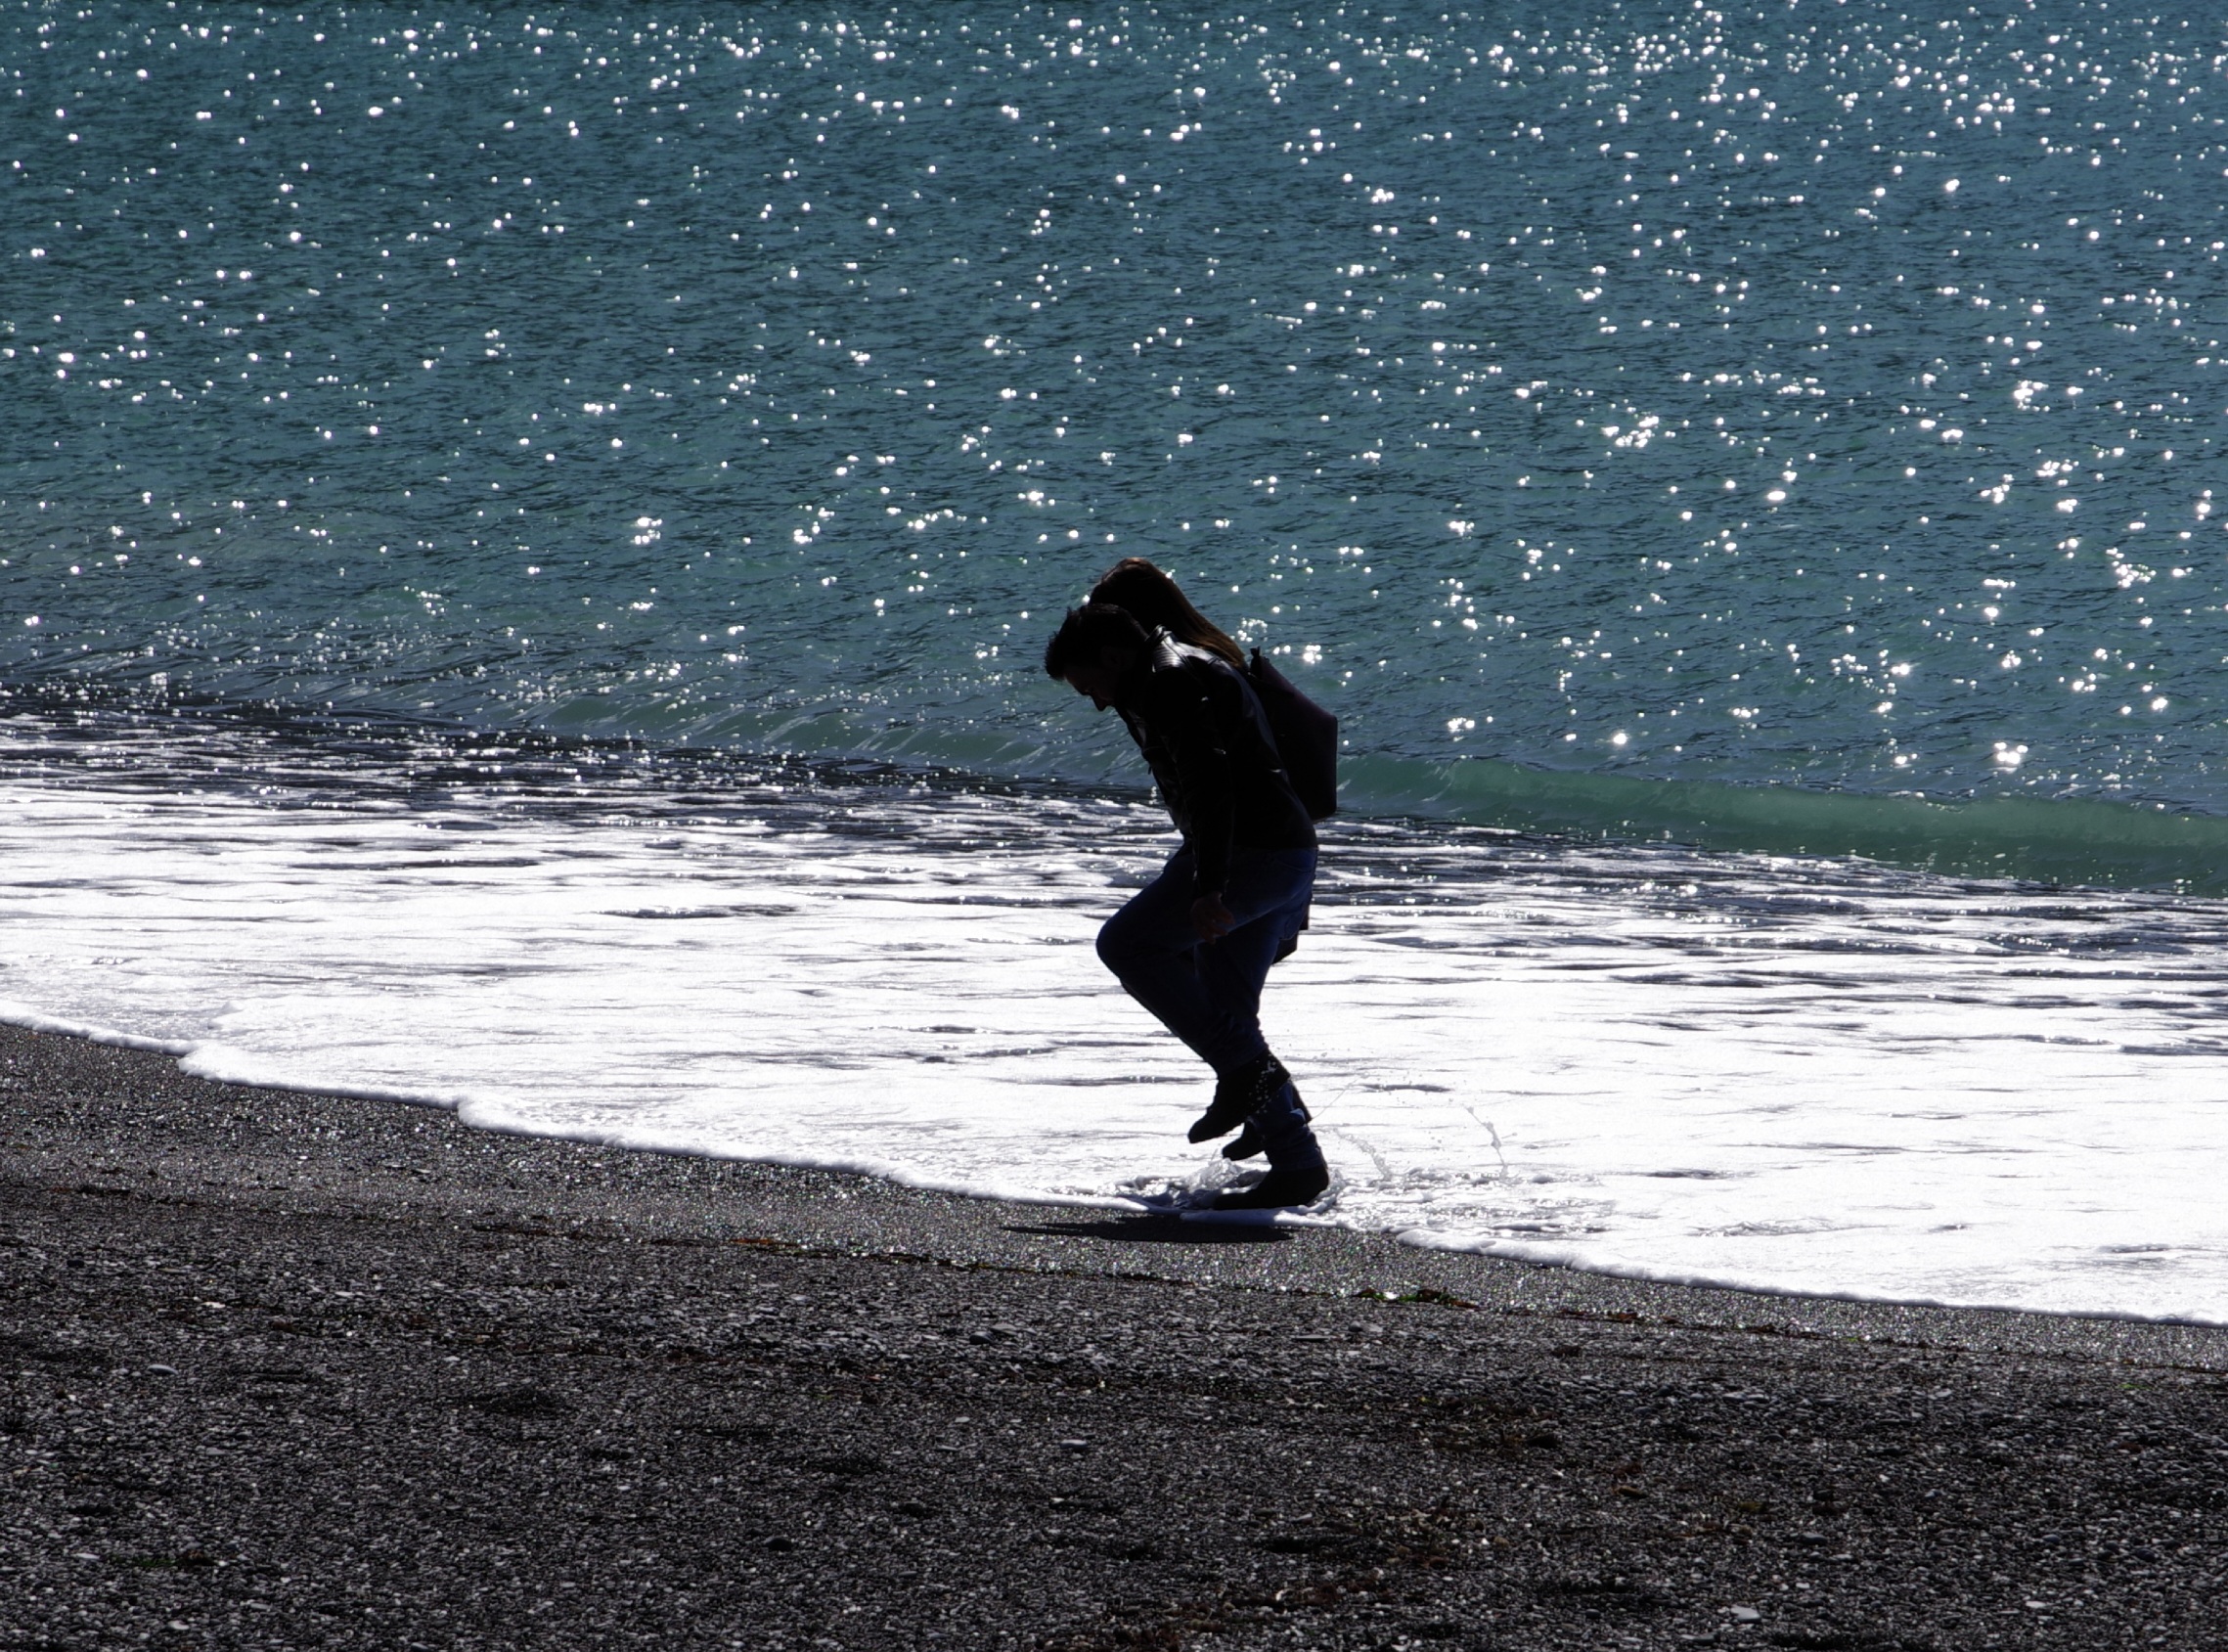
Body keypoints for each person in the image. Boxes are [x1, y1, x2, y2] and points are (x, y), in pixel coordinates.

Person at [1043, 598, 1330, 1211]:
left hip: (1250, 855)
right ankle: (1297, 1159)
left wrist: (1208, 887)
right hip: (1285, 853)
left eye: (1090, 684)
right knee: (1226, 1008)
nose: (1094, 701)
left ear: (1115, 656)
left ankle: (1251, 1081)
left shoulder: (1169, 682)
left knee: (1127, 944)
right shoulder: (1186, 665)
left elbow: (1211, 785)